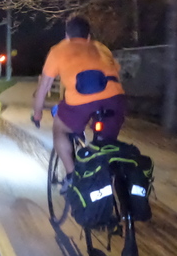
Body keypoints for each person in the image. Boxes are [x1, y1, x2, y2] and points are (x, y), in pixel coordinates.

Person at [31, 16, 126, 191]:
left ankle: (72, 176)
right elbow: (116, 72)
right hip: (115, 100)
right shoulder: (102, 48)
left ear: (67, 36)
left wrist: (37, 114)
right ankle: (106, 179)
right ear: (88, 36)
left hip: (81, 102)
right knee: (105, 145)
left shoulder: (58, 50)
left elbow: (44, 86)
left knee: (59, 128)